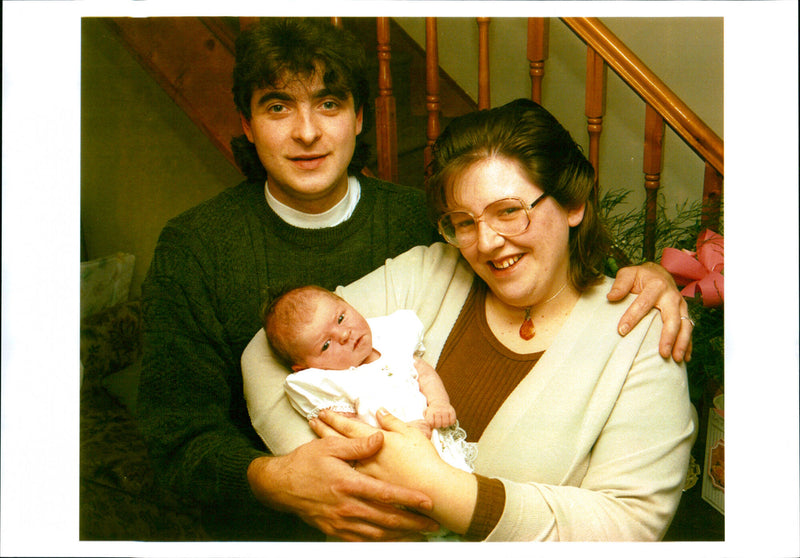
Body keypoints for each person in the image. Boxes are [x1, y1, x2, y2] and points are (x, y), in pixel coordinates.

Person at [139, 16, 692, 542]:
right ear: (247, 125)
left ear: (360, 117)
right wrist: (295, 481)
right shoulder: (196, 247)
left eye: (329, 104)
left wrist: (646, 275)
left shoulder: (417, 225)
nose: (307, 132)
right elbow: (183, 432)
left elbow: (554, 259)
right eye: (278, 107)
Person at [242, 98, 696, 541]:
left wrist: (438, 488)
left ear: (573, 203)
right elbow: (266, 354)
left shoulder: (641, 334)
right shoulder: (428, 271)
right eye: (463, 221)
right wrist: (326, 482)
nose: (487, 242)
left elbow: (628, 526)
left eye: (509, 212)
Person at [262, 285, 475, 473]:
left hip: (438, 440)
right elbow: (347, 431)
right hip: (395, 462)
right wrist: (397, 437)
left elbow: (425, 373)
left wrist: (439, 402)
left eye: (341, 318)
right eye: (326, 345)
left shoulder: (390, 340)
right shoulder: (336, 382)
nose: (343, 334)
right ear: (304, 368)